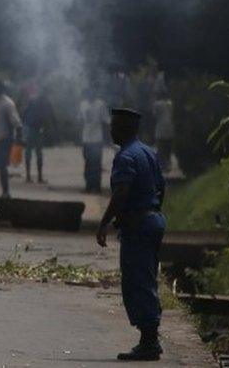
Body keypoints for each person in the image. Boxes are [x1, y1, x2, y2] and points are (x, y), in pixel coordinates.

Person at [95, 108, 167, 361]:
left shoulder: (125, 157)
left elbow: (122, 191)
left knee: (138, 281)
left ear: (124, 129)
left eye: (114, 126)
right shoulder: (147, 152)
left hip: (139, 226)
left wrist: (105, 222)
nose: (110, 130)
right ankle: (150, 337)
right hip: (153, 220)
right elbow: (161, 186)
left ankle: (149, 342)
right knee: (146, 277)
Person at [22, 84, 55, 184]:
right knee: (38, 154)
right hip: (37, 130)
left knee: (29, 153)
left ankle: (28, 176)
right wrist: (51, 129)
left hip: (30, 128)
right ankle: (39, 177)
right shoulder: (46, 102)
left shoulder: (33, 100)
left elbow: (24, 113)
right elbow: (50, 117)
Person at [79, 89, 109, 193]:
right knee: (88, 163)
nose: (90, 96)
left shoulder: (101, 104)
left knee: (96, 163)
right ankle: (89, 185)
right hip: (86, 138)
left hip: (97, 138)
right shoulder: (82, 104)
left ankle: (96, 186)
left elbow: (106, 120)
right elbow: (80, 119)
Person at [152, 96, 174, 171]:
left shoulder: (156, 104)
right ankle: (168, 163)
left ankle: (163, 165)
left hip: (160, 128)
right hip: (170, 127)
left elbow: (154, 115)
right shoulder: (170, 103)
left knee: (161, 147)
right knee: (168, 147)